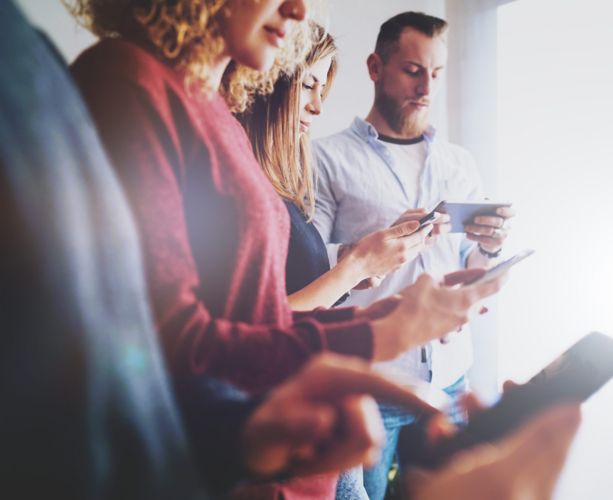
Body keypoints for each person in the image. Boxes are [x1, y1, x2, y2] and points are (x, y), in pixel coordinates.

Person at [67, 1, 505, 498]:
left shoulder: (216, 112)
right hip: (230, 466)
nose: (297, 9)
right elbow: (168, 348)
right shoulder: (128, 82)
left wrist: (386, 319)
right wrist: (373, 334)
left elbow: (260, 316)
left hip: (285, 457)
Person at [312, 11, 516, 499]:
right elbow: (307, 263)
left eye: (437, 73)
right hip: (371, 385)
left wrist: (487, 250)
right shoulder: (324, 159)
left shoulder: (459, 163)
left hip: (449, 381)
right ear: (375, 67)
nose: (427, 86)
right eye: (412, 69)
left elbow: (471, 266)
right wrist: (372, 250)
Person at [237, 23, 435, 312]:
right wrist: (358, 265)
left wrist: (357, 264)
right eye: (307, 85)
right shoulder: (241, 187)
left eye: (321, 91)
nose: (317, 106)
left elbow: (293, 281)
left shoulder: (278, 185)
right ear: (267, 83)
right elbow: (261, 324)